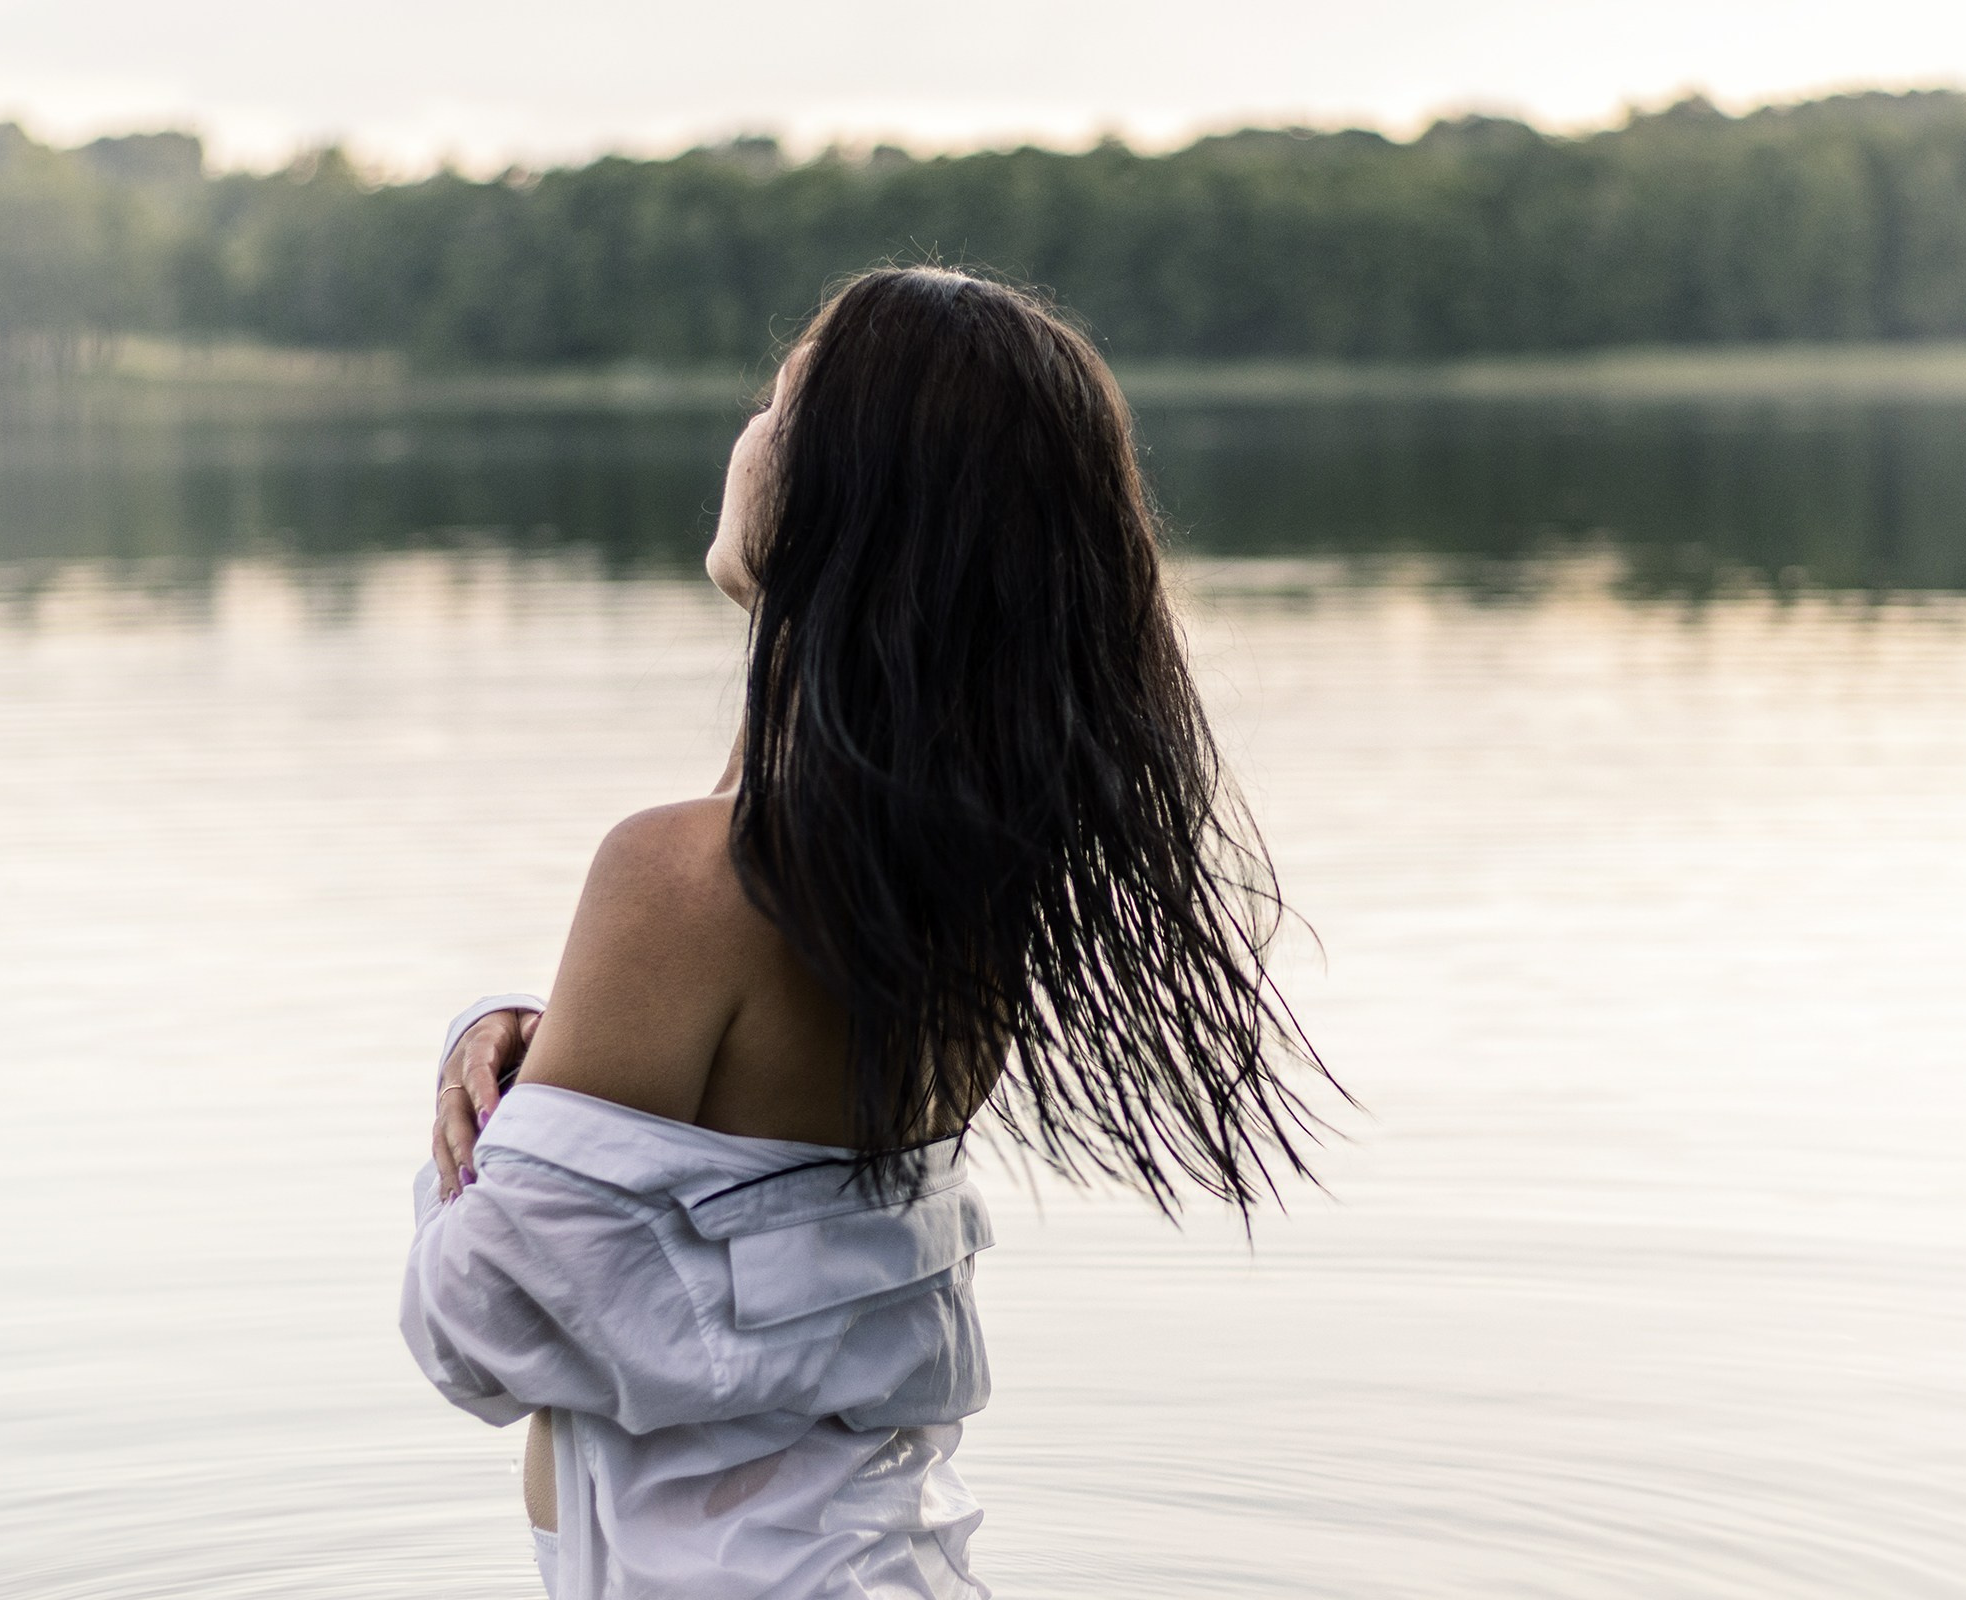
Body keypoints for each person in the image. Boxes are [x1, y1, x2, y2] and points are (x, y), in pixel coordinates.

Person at [401, 266, 1338, 1600]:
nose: (748, 427)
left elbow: (479, 1325)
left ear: (845, 486)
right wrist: (546, 1054)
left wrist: (466, 1081)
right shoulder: (962, 894)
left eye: (781, 399)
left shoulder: (681, 877)